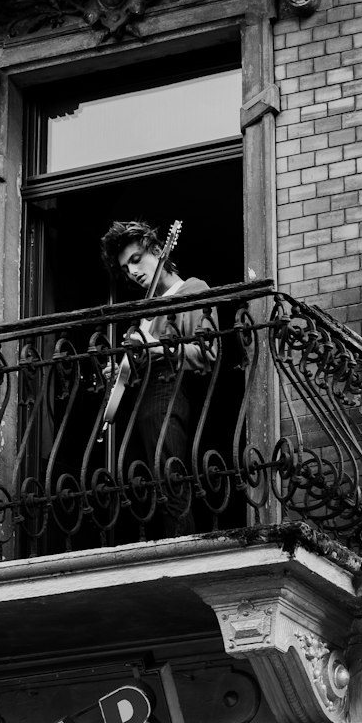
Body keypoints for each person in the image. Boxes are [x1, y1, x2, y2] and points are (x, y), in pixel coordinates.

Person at [99, 219, 215, 537]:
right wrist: (125, 370)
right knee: (152, 486)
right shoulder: (147, 311)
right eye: (125, 269)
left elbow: (208, 353)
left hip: (171, 397)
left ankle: (183, 549)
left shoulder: (193, 289)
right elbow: (146, 358)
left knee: (171, 482)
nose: (132, 272)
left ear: (159, 251)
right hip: (145, 407)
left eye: (136, 260)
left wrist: (158, 349)